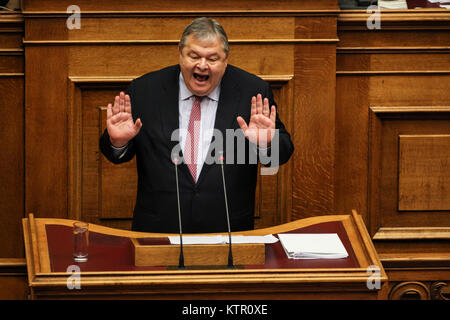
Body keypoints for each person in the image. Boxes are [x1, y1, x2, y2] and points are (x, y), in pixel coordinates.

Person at [100, 17, 294, 233]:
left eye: (212, 58)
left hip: (228, 233)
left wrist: (266, 145)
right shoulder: (145, 90)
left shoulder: (252, 92)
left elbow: (280, 154)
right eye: (194, 56)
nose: (202, 65)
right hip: (158, 232)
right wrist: (118, 143)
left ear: (226, 60)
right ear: (180, 53)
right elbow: (115, 153)